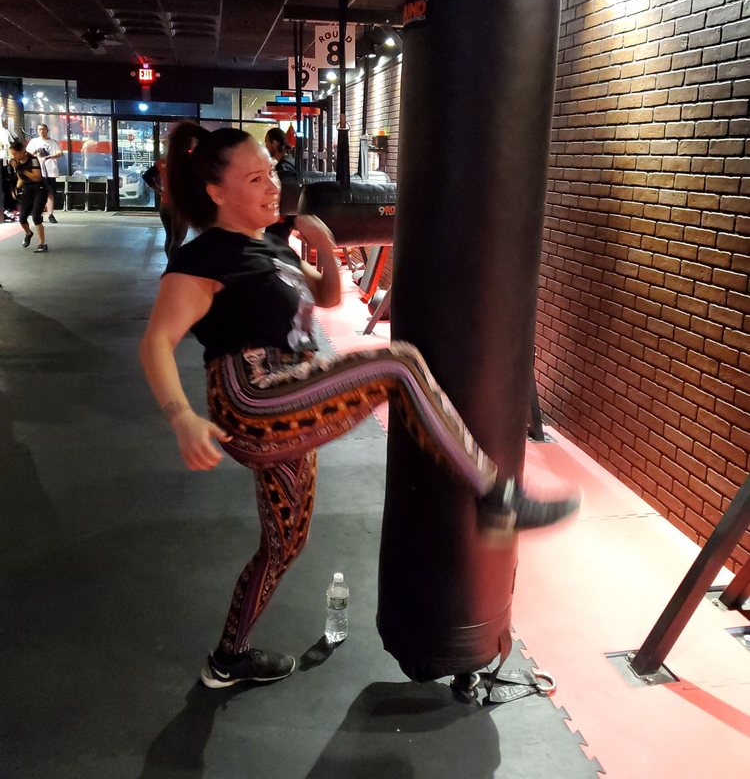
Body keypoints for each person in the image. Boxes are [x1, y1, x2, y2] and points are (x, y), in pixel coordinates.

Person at [139, 122, 578, 690]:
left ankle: (228, 658)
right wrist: (181, 417)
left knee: (283, 545)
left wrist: (320, 241)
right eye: (254, 179)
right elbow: (156, 341)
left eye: (270, 172)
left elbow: (324, 296)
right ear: (216, 191)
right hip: (253, 397)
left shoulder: (271, 244)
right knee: (398, 364)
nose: (272, 185)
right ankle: (497, 497)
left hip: (295, 395)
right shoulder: (205, 258)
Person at [142, 157, 187, 262]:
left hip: (165, 205)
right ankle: (172, 266)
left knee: (170, 237)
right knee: (177, 239)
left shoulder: (163, 162)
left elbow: (147, 176)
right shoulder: (186, 161)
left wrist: (159, 191)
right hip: (179, 206)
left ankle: (170, 264)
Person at [8, 140, 48, 251]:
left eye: (15, 153)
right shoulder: (17, 162)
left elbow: (37, 177)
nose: (13, 156)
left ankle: (42, 243)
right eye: (12, 154)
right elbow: (21, 178)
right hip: (27, 190)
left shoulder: (33, 160)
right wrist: (16, 189)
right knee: (22, 218)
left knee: (36, 217)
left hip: (39, 189)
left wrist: (21, 168)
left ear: (22, 151)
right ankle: (28, 233)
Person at [264, 126, 297, 243]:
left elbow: (284, 195)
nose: (266, 146)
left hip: (281, 220)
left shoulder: (284, 167)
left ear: (275, 143)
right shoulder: (288, 162)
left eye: (267, 143)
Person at [25, 124, 63, 224]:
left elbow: (60, 153)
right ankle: (39, 214)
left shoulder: (53, 142)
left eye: (43, 129)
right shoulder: (34, 142)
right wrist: (35, 152)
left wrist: (49, 157)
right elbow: (27, 155)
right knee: (38, 193)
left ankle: (50, 214)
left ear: (47, 130)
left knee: (50, 193)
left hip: (50, 171)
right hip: (37, 171)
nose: (41, 131)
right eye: (39, 129)